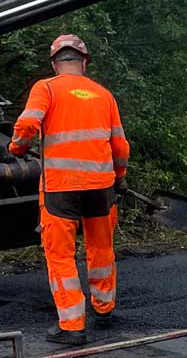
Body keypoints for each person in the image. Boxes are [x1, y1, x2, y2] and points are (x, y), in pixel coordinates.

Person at [8, 34, 130, 345]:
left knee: (60, 255)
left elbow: (27, 125)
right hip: (101, 186)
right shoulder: (104, 95)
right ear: (84, 63)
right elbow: (120, 145)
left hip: (61, 188)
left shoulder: (46, 87)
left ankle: (73, 325)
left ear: (54, 63)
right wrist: (119, 176)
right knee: (101, 249)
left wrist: (18, 148)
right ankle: (104, 309)